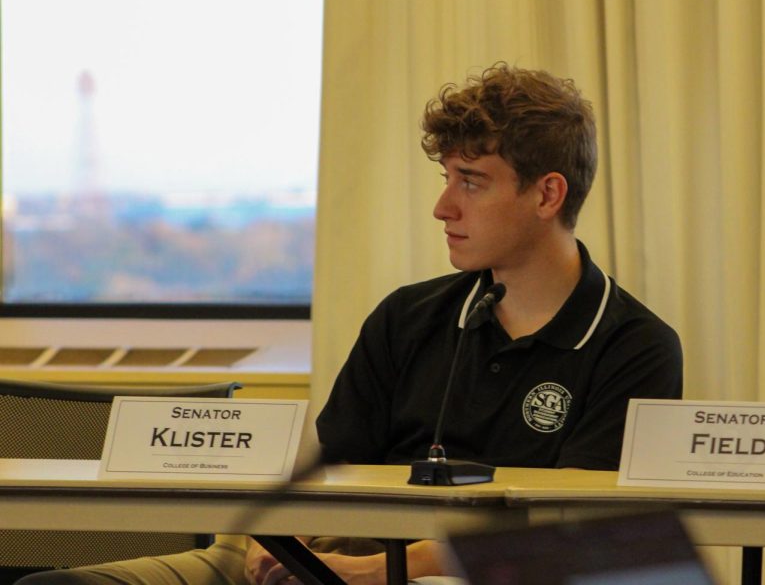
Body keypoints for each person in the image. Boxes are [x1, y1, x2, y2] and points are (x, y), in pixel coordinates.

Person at [22, 63, 683, 585]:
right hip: (323, 554)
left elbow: (566, 536)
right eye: (446, 177)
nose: (442, 206)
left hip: (458, 573)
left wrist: (374, 571)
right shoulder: (408, 316)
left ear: (546, 194)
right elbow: (327, 471)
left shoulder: (635, 347)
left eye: (472, 182)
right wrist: (275, 540)